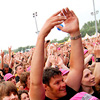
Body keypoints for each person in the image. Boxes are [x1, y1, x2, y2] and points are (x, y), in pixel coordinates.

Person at [30, 7, 84, 100]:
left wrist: (75, 32)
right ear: (45, 87)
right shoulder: (41, 99)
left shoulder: (67, 92)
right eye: (57, 83)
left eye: (62, 80)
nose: (63, 84)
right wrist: (41, 36)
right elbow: (35, 83)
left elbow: (76, 68)